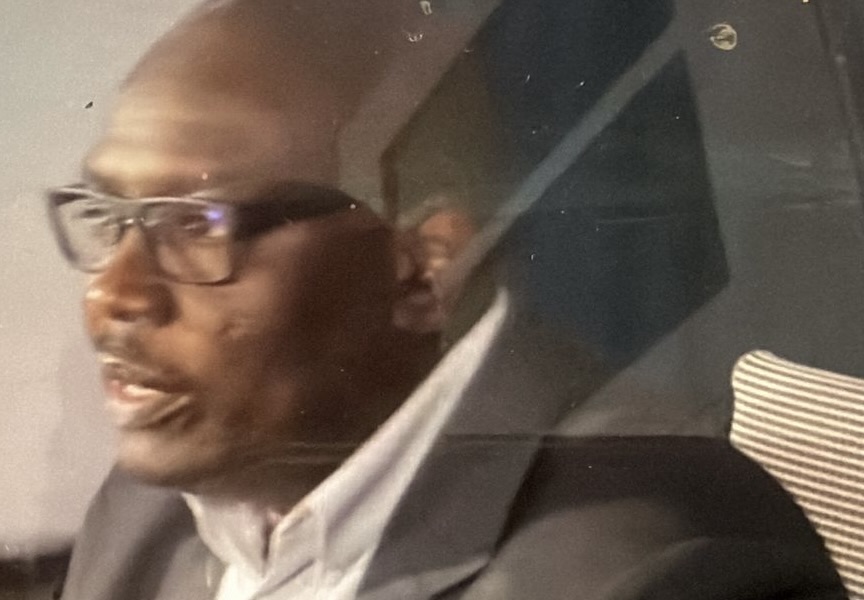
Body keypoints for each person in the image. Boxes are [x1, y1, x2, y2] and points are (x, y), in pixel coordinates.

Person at [50, 1, 846, 599]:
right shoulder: (149, 508)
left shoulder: (665, 565)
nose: (112, 294)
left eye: (194, 224)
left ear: (424, 267)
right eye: (109, 217)